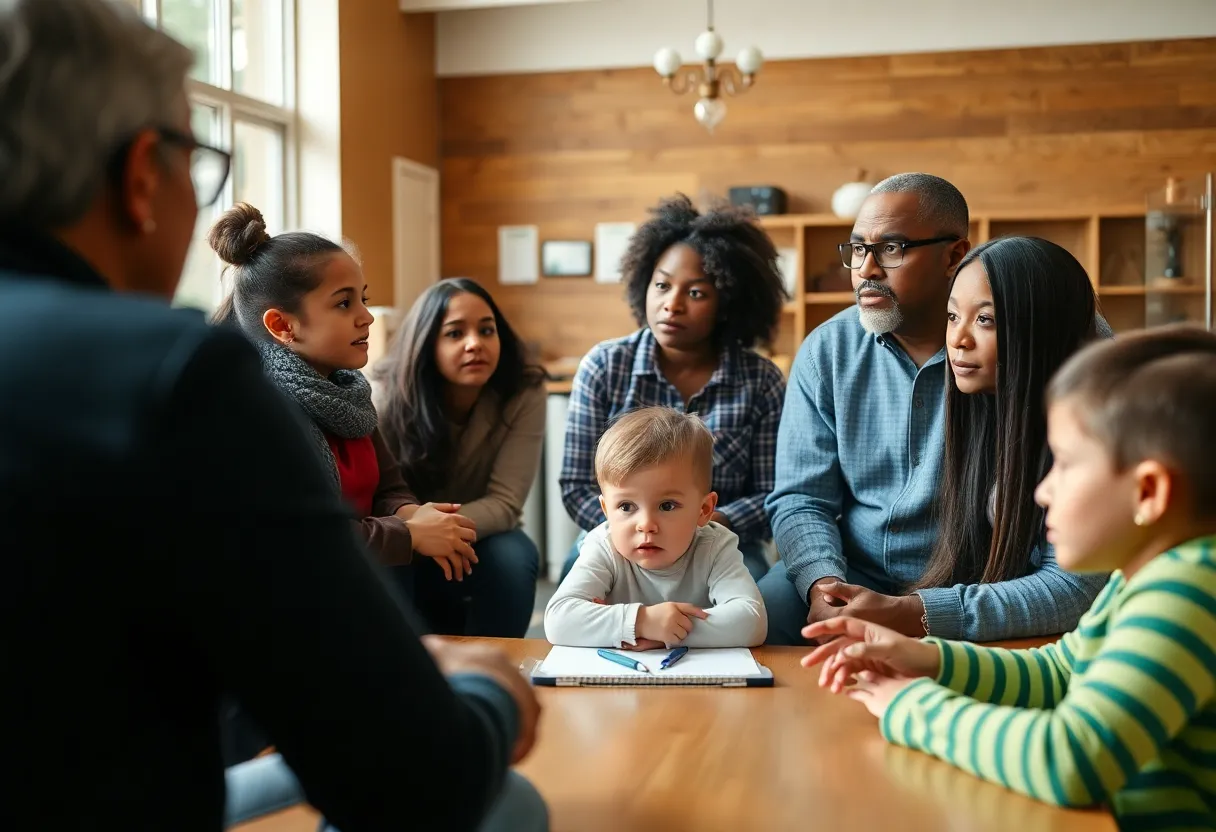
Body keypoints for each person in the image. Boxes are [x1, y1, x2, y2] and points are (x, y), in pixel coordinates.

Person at [0, 2, 546, 830]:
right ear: (144, 173)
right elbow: (409, 772)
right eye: (199, 158)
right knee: (507, 804)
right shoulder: (174, 375)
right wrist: (487, 690)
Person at [801, 326, 1216, 828]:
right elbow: (1059, 673)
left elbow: (1070, 761)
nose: (1041, 491)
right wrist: (924, 658)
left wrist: (911, 705)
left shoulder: (1185, 594)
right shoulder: (1145, 577)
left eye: (1063, 464)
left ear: (1148, 492)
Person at [760, 173, 1111, 645]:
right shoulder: (827, 350)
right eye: (857, 248)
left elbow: (1075, 580)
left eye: (891, 248)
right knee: (752, 628)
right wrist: (823, 583)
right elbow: (801, 499)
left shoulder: (1044, 340)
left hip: (986, 582)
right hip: (853, 574)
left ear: (953, 255)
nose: (865, 269)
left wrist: (920, 613)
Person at [211, 204, 475, 580]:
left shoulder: (346, 393)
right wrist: (409, 534)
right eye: (344, 302)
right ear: (282, 324)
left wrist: (412, 514)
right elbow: (299, 539)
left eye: (362, 298)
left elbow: (390, 486)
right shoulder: (259, 411)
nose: (366, 316)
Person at [559, 194, 788, 584]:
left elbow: (772, 492)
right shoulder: (604, 366)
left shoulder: (761, 380)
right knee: (574, 581)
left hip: (722, 540)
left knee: (756, 599)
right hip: (618, 536)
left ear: (728, 302)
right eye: (662, 285)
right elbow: (576, 484)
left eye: (696, 293)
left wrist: (703, 524)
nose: (672, 304)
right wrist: (635, 528)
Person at [909, 237, 1108, 625]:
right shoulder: (987, 409)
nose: (958, 340)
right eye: (952, 317)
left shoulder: (1095, 432)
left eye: (985, 320)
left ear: (1042, 327)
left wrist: (918, 611)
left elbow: (1073, 590)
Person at [374, 278, 546, 638]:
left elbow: (504, 503)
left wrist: (441, 530)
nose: (475, 344)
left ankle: (496, 675)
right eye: (455, 334)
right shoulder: (386, 398)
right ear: (426, 344)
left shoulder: (523, 391)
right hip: (406, 536)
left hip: (481, 535)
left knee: (514, 553)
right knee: (389, 560)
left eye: (487, 330)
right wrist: (417, 534)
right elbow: (379, 499)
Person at [546, 407, 767, 649]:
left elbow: (751, 622)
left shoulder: (715, 546)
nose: (646, 525)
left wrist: (664, 632)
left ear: (703, 510)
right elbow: (558, 620)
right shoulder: (603, 546)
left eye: (667, 505)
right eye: (626, 506)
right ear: (606, 510)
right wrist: (643, 622)